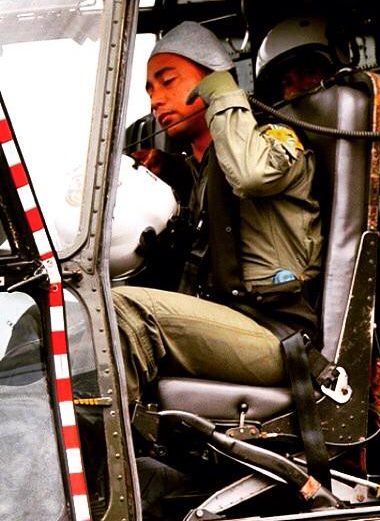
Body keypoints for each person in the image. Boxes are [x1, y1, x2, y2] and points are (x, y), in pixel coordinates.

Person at [112, 21, 323, 402]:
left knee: (125, 314)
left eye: (168, 81)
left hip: (278, 333)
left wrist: (223, 90)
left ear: (210, 78)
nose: (156, 100)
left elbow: (249, 175)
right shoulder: (198, 170)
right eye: (150, 90)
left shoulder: (274, 138)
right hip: (232, 323)